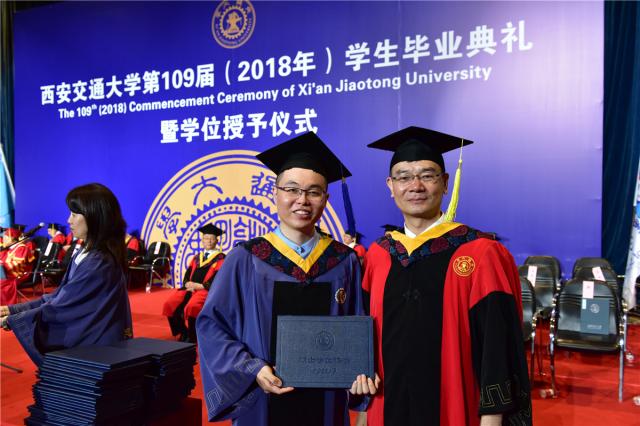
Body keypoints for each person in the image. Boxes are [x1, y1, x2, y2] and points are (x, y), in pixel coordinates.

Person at [196, 132, 378, 426]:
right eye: (291, 189)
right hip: (263, 401)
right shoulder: (247, 258)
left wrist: (360, 373)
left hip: (325, 403)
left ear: (326, 199)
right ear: (275, 193)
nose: (302, 200)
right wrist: (253, 369)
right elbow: (212, 325)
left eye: (314, 192)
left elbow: (357, 329)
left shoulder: (344, 261)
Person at [363, 126, 531, 426]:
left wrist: (492, 420)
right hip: (386, 408)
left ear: (445, 182)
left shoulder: (481, 253)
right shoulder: (378, 255)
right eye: (403, 177)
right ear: (390, 185)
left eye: (427, 175)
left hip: (455, 411)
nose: (415, 185)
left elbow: (498, 350)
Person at [0, 183, 133, 366]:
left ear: (95, 217)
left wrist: (15, 320)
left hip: (98, 350)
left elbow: (63, 307)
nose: (69, 220)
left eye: (74, 214)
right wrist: (13, 310)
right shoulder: (86, 252)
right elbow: (60, 295)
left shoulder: (98, 262)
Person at [162, 223, 225, 343]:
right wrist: (187, 284)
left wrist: (201, 286)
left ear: (217, 241)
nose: (209, 241)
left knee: (192, 307)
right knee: (169, 304)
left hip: (206, 290)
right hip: (191, 289)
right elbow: (188, 274)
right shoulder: (197, 257)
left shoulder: (221, 258)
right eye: (206, 238)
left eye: (212, 239)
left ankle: (192, 337)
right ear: (202, 240)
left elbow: (219, 278)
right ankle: (182, 332)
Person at [0, 227, 35, 305]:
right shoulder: (9, 248)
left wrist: (3, 265)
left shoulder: (22, 248)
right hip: (8, 274)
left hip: (19, 275)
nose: (3, 239)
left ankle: (5, 308)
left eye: (5, 237)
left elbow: (18, 264)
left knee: (1, 283)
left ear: (11, 238)